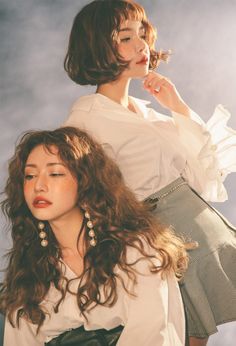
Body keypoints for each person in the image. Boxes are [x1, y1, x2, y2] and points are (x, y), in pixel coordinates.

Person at [63, 1, 236, 345]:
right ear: (99, 46)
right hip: (161, 243)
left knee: (194, 337)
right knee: (181, 335)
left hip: (204, 230)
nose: (142, 44)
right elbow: (86, 207)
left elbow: (200, 173)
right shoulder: (85, 121)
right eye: (126, 37)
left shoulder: (145, 111)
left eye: (142, 34)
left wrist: (177, 106)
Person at [0, 127, 188, 346]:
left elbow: (153, 335)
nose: (38, 186)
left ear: (85, 181)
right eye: (29, 176)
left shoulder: (136, 251)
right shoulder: (29, 268)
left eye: (55, 173)